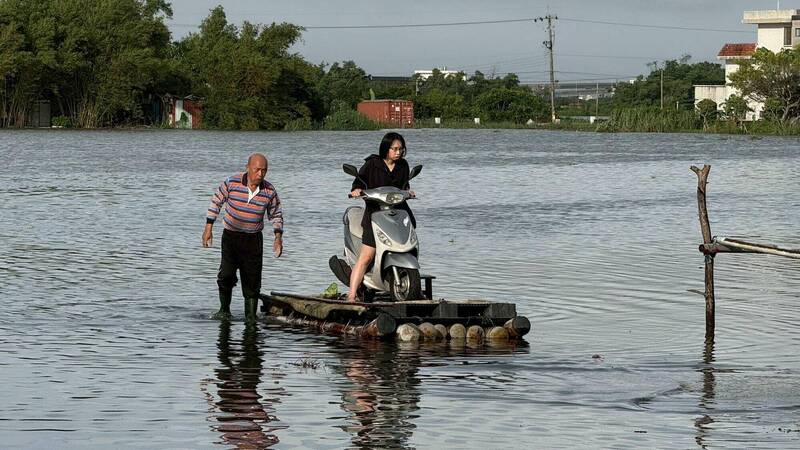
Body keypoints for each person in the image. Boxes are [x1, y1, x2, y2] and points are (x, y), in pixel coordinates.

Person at [202, 153, 284, 320]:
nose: (260, 174)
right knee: (226, 276)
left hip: (253, 240)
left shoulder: (269, 190)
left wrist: (278, 238)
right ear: (248, 168)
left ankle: (250, 317)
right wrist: (208, 227)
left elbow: (276, 215)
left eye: (264, 170)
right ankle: (224, 310)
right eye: (257, 170)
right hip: (231, 237)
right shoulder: (232, 182)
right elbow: (216, 201)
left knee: (252, 281)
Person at [347, 132, 415, 302]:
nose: (398, 152)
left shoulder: (403, 166)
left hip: (398, 211)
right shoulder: (372, 164)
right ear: (386, 149)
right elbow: (359, 182)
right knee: (366, 256)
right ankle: (351, 294)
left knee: (409, 243)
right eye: (395, 149)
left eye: (401, 149)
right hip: (375, 212)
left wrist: (408, 192)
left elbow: (404, 185)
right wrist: (356, 190)